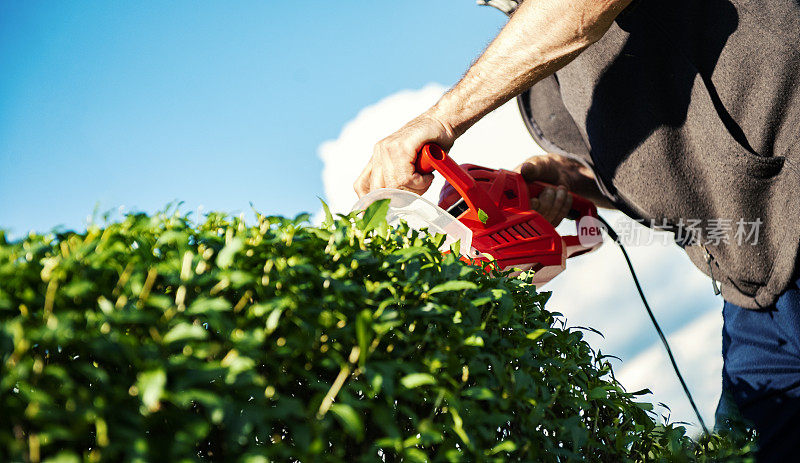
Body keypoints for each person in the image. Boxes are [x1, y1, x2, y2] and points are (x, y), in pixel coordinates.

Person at [353, 0, 800, 460]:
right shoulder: (544, 75)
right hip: (753, 282)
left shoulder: (553, 25)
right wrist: (574, 182)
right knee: (745, 449)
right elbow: (667, 171)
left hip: (791, 196)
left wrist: (444, 116)